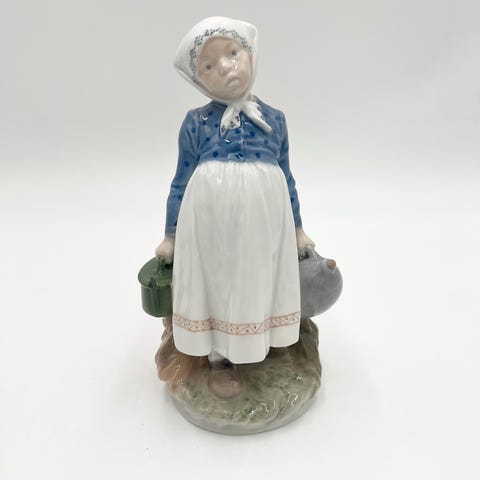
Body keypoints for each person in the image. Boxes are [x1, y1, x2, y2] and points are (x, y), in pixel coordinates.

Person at [155, 17, 315, 365]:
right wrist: (171, 234)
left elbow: (287, 177)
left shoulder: (276, 119)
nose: (225, 67)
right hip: (210, 222)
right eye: (209, 65)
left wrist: (298, 229)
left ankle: (262, 343)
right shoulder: (196, 123)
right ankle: (217, 350)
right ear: (199, 81)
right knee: (217, 279)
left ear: (251, 54)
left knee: (259, 275)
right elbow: (180, 180)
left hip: (265, 220)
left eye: (232, 53)